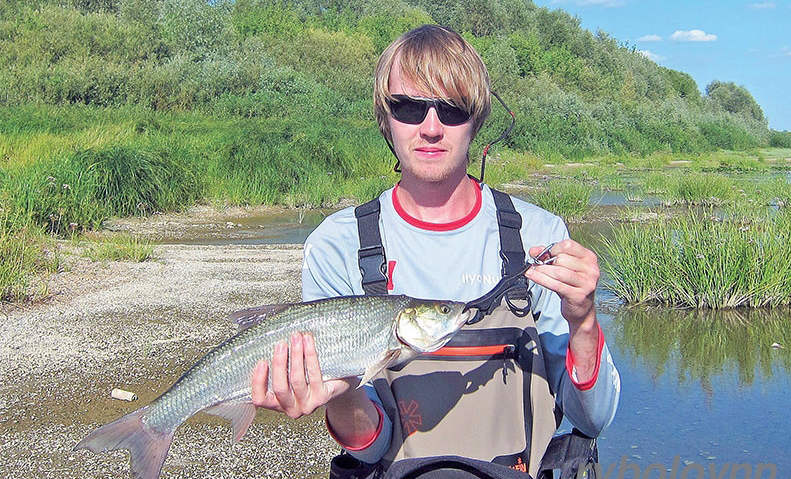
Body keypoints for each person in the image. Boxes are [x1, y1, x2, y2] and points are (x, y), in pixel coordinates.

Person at [250, 24, 620, 478]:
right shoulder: (337, 246)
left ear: (476, 121)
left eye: (451, 110)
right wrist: (342, 397)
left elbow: (592, 419)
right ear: (386, 119)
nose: (430, 128)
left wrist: (584, 321)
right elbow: (371, 449)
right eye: (409, 108)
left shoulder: (540, 237)